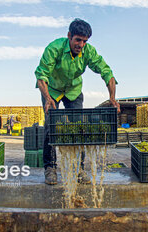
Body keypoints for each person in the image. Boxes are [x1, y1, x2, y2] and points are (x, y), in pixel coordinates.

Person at [35, 18, 120, 185]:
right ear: (69, 36)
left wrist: (112, 97)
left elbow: (107, 72)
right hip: (51, 91)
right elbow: (41, 76)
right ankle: (50, 168)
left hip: (73, 91)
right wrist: (47, 98)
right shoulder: (54, 48)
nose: (81, 44)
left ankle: (78, 168)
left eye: (84, 41)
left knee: (79, 128)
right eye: (78, 40)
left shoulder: (88, 51)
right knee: (50, 128)